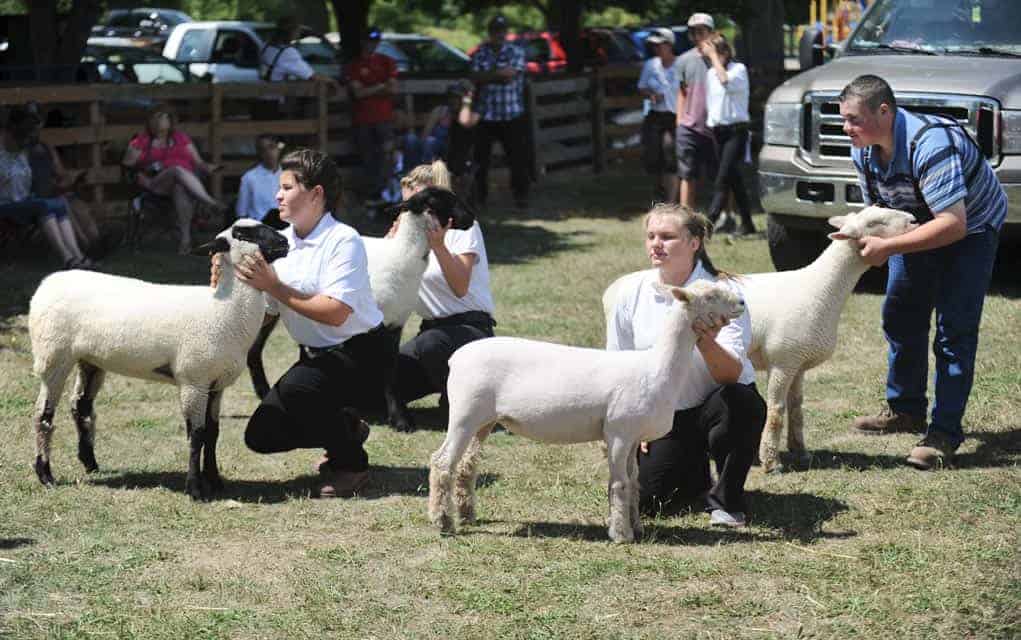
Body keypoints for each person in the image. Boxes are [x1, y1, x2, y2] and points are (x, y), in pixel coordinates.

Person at [840, 75, 1007, 470]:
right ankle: (906, 409)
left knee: (954, 330)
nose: (846, 128)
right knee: (901, 314)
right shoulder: (864, 151)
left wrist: (889, 247)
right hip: (916, 222)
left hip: (971, 229)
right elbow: (880, 215)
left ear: (884, 111)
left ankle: (943, 434)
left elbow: (953, 224)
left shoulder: (929, 144)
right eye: (843, 119)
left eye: (853, 120)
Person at [226, 148, 387, 498]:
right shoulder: (279, 243)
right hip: (315, 357)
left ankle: (352, 465)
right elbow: (266, 307)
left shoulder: (344, 240)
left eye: (287, 187)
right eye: (279, 187)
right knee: (260, 436)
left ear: (316, 194)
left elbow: (335, 312)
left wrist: (275, 286)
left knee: (300, 389)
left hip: (362, 355)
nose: (277, 195)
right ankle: (345, 427)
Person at [606, 203, 765, 527]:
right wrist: (636, 424)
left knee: (742, 402)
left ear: (695, 243)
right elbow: (617, 366)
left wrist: (704, 339)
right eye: (650, 236)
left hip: (715, 405)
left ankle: (727, 500)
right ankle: (694, 474)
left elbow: (731, 374)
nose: (656, 244)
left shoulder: (724, 294)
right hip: (665, 413)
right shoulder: (630, 292)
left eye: (667, 236)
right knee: (651, 502)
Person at [388, 160, 497, 412]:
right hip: (430, 334)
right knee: (379, 387)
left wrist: (438, 245)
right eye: (405, 207)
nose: (407, 214)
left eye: (413, 207)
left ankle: (465, 404)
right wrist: (390, 247)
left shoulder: (463, 228)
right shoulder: (406, 238)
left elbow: (460, 286)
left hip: (469, 331)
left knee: (431, 343)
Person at [121, 107, 228, 254]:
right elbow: (127, 167)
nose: (160, 122)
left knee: (180, 188)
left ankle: (185, 241)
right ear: (150, 122)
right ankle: (210, 202)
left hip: (184, 184)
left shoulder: (181, 138)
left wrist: (208, 167)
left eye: (164, 118)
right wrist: (141, 175)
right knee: (176, 170)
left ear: (170, 121)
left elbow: (198, 162)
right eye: (157, 118)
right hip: (155, 184)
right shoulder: (141, 141)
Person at [0, 107, 91, 269]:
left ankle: (79, 257)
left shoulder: (21, 153)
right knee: (43, 206)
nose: (25, 145)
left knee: (58, 204)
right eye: (22, 140)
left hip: (23, 203)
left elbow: (27, 183)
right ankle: (67, 259)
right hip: (5, 206)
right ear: (10, 135)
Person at [469, 14, 530, 210]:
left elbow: (510, 76)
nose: (499, 34)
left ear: (506, 32)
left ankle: (521, 196)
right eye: (495, 31)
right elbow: (475, 77)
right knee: (480, 160)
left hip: (510, 114)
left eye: (502, 30)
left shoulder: (516, 52)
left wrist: (488, 76)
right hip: (485, 115)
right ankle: (480, 198)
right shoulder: (480, 53)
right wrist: (496, 75)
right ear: (490, 32)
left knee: (517, 158)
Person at [702, 35, 755, 236]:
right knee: (734, 180)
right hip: (718, 132)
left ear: (724, 53)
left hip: (736, 131)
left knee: (722, 179)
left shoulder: (738, 70)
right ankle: (748, 223)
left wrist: (714, 56)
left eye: (715, 53)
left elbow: (725, 81)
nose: (710, 57)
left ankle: (708, 223)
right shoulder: (709, 74)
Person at [344, 25, 399, 207]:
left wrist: (370, 88)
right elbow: (358, 93)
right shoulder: (353, 65)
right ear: (363, 42)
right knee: (368, 157)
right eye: (368, 40)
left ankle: (386, 194)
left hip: (384, 118)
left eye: (375, 41)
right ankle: (372, 195)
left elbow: (392, 87)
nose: (371, 44)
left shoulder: (387, 61)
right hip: (363, 119)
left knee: (387, 155)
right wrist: (380, 87)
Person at [674, 12, 717, 209]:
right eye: (694, 32)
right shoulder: (684, 60)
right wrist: (680, 122)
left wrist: (714, 56)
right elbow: (682, 92)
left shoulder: (721, 59)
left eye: (702, 31)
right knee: (687, 173)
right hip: (689, 126)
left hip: (716, 125)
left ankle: (728, 214)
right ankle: (685, 216)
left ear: (711, 33)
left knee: (720, 174)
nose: (698, 36)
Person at [637, 27, 680, 204]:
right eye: (654, 46)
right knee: (654, 156)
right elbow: (641, 87)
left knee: (670, 153)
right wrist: (651, 95)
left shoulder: (680, 65)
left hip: (675, 115)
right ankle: (659, 191)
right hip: (655, 114)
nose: (656, 49)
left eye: (660, 45)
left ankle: (671, 199)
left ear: (669, 45)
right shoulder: (651, 65)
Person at [442, 80, 482, 200]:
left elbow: (465, 123)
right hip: (453, 154)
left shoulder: (474, 113)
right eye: (451, 97)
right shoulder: (449, 114)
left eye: (456, 97)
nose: (453, 100)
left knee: (466, 171)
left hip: (470, 153)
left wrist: (466, 104)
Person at [236, 134, 283, 223]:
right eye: (263, 150)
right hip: (260, 227)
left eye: (271, 147)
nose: (269, 152)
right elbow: (241, 213)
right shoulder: (249, 178)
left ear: (278, 148)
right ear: (259, 153)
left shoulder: (290, 176)